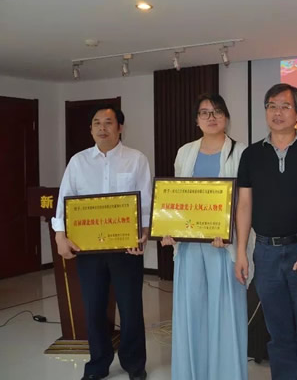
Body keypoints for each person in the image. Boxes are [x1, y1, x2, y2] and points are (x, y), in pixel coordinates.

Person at [234, 83, 297, 380]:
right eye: (272, 106)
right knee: (278, 328)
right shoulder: (251, 154)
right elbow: (244, 204)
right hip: (265, 252)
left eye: (285, 106)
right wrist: (241, 253)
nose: (278, 112)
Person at [52, 105, 150, 380]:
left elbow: (145, 202)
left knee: (131, 309)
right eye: (97, 123)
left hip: (126, 248)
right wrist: (60, 236)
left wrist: (143, 234)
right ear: (91, 129)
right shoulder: (78, 161)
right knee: (93, 309)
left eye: (108, 122)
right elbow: (64, 200)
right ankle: (98, 364)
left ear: (120, 127)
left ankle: (134, 364)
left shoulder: (136, 159)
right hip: (88, 249)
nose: (102, 128)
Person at [161, 93, 249, 380]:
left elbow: (244, 204)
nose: (211, 118)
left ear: (227, 117)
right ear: (196, 120)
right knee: (191, 314)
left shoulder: (241, 152)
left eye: (217, 111)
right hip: (189, 248)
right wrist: (170, 229)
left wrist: (238, 246)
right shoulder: (185, 152)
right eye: (204, 112)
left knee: (225, 314)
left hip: (224, 247)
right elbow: (177, 198)